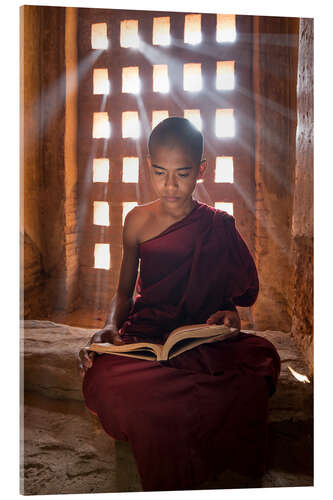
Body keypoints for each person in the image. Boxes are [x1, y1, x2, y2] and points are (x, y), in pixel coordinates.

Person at [79, 117, 280, 492]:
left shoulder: (217, 226)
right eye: (160, 173)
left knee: (261, 358)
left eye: (182, 174)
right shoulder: (137, 221)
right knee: (101, 378)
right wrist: (110, 325)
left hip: (199, 339)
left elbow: (234, 299)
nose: (170, 185)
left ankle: (161, 412)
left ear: (201, 170)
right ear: (149, 167)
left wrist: (230, 315)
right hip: (148, 334)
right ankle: (187, 413)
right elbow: (124, 292)